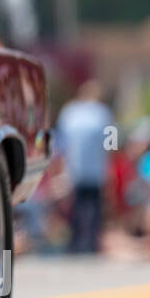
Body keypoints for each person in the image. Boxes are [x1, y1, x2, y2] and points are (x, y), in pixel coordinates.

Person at [54, 79, 114, 253]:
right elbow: (112, 142)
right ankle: (90, 242)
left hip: (73, 168)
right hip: (96, 169)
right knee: (93, 206)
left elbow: (61, 142)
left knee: (76, 205)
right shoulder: (103, 113)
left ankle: (75, 241)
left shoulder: (69, 112)